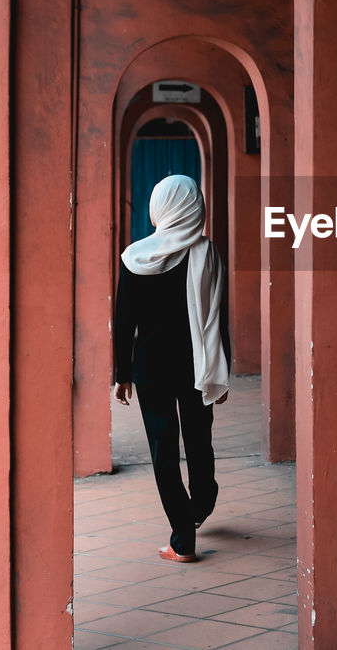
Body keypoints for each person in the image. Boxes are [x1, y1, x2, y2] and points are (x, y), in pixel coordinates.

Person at [112, 174, 231, 563]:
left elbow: (124, 320)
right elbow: (217, 318)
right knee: (199, 440)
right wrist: (221, 370)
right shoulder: (206, 252)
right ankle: (199, 505)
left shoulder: (135, 256)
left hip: (151, 369)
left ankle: (182, 538)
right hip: (196, 365)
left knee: (163, 450)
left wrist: (122, 374)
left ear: (159, 206)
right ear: (194, 204)